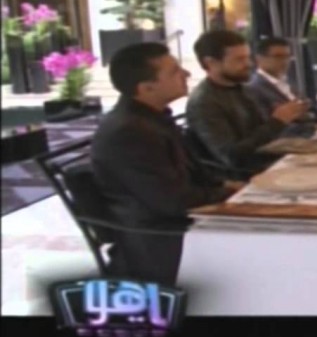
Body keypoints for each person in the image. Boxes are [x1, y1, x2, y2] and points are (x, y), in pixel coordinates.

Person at [91, 43, 244, 286]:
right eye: (174, 71)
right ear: (146, 88)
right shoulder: (129, 132)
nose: (187, 73)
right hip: (160, 239)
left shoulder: (150, 118)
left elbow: (192, 173)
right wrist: (230, 193)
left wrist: (229, 186)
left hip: (177, 221)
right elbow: (173, 202)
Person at [186, 30, 310, 175]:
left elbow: (262, 132)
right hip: (250, 173)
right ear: (211, 63)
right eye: (239, 59)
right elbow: (233, 157)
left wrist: (289, 116)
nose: (249, 64)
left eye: (247, 58)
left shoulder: (242, 89)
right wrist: (277, 121)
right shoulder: (204, 102)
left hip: (272, 159)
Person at [246, 37, 317, 134]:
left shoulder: (287, 82)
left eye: (288, 56)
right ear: (259, 59)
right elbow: (268, 126)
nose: (285, 61)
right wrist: (313, 127)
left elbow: (311, 112)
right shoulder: (254, 88)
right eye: (278, 56)